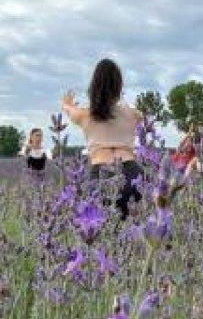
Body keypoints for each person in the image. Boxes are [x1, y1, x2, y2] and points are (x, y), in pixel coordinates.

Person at [61, 58, 143, 218]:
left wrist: (67, 104)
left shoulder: (84, 114)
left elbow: (69, 110)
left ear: (94, 86)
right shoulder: (132, 114)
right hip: (131, 172)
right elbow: (144, 120)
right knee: (133, 228)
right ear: (119, 86)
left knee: (102, 230)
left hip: (99, 174)